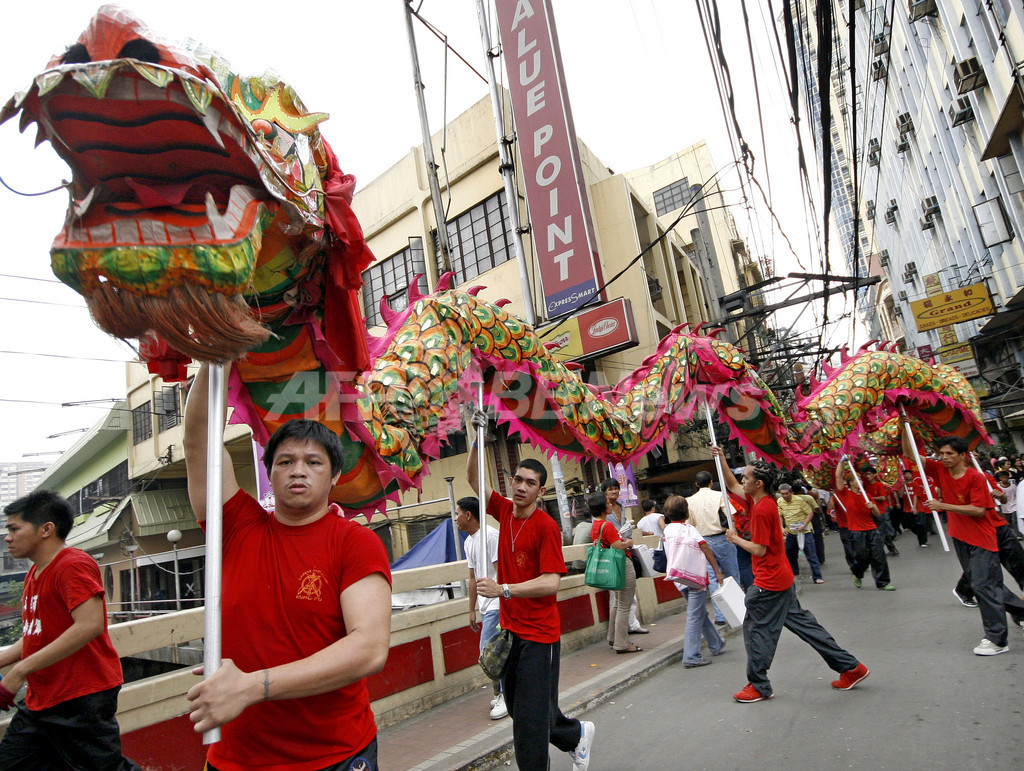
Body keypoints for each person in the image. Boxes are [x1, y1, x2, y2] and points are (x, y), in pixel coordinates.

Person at [183, 363, 392, 771]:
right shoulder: (236, 527)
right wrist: (214, 361)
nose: (298, 469)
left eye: (314, 462)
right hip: (234, 760)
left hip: (332, 757)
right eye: (285, 461)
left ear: (334, 477)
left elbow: (368, 649)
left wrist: (251, 687)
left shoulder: (355, 543)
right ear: (270, 473)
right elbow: (197, 443)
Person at [467, 410, 595, 771]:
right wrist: (477, 434)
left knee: (528, 723)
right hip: (511, 634)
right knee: (526, 710)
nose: (522, 487)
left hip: (540, 636)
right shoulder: (504, 511)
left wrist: (503, 589)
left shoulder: (546, 527)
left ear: (541, 490)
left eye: (530, 483)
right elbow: (473, 478)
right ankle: (574, 735)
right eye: (518, 480)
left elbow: (551, 582)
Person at [714, 450, 869, 702]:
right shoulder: (762, 500)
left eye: (747, 477)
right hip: (780, 579)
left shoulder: (763, 509)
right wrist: (720, 456)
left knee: (756, 632)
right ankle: (851, 668)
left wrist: (735, 539)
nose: (742, 480)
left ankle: (758, 685)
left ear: (759, 483)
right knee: (806, 626)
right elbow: (730, 483)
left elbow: (759, 549)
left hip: (768, 583)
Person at [0, 490, 140, 770]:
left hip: (81, 698)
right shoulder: (35, 573)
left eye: (15, 528)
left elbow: (90, 625)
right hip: (42, 699)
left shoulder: (72, 565)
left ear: (46, 529)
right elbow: (36, 635)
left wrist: (19, 671)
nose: (7, 537)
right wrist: (4, 661)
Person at [902, 428, 1024, 655]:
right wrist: (903, 424)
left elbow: (978, 510)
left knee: (984, 585)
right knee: (983, 584)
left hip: (982, 537)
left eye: (949, 454)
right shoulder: (940, 469)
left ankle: (997, 640)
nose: (944, 458)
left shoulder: (976, 477)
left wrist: (943, 506)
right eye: (942, 454)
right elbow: (910, 454)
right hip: (960, 537)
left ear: (962, 455)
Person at [456, 496, 506, 720]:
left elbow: (502, 572)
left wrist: (504, 598)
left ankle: (505, 695)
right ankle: (501, 692)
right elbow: (472, 577)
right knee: (492, 653)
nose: (454, 518)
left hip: (497, 604)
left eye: (457, 513)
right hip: (485, 606)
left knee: (491, 652)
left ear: (468, 515)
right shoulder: (468, 541)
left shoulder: (491, 536)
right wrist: (471, 609)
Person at [662, 495, 725, 668]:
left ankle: (716, 643)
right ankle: (691, 655)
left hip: (678, 578)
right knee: (694, 616)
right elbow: (705, 547)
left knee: (699, 613)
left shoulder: (667, 530)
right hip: (696, 578)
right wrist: (717, 571)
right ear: (686, 511)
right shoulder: (689, 529)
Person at [587, 493, 641, 654]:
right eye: (608, 504)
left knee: (617, 603)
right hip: (621, 565)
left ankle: (613, 637)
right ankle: (622, 643)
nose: (611, 505)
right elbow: (618, 545)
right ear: (602, 508)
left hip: (610, 567)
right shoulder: (607, 526)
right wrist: (629, 542)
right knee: (625, 605)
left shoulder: (595, 525)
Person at [686, 471, 741, 627]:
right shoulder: (719, 495)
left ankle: (720, 615)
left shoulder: (690, 501)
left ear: (696, 484)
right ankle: (737, 610)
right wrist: (734, 534)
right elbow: (731, 516)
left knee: (712, 579)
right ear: (711, 482)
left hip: (703, 542)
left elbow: (690, 524)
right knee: (732, 576)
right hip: (722, 538)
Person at [834, 462, 895, 590]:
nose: (861, 481)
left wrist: (873, 508)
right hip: (856, 531)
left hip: (872, 529)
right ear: (851, 483)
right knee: (861, 557)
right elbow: (838, 477)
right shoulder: (845, 494)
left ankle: (883, 582)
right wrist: (842, 462)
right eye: (857, 480)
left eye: (861, 479)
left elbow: (878, 515)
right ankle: (858, 574)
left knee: (879, 556)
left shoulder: (867, 496)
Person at [777, 484, 823, 584]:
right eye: (782, 494)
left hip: (804, 531)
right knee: (790, 554)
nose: (784, 496)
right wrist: (781, 527)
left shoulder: (799, 500)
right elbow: (779, 515)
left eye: (786, 494)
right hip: (790, 531)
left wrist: (804, 525)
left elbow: (810, 513)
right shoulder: (780, 501)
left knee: (811, 554)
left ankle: (817, 576)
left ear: (791, 492)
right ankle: (794, 573)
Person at [864, 467, 898, 557]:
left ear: (874, 475)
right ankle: (892, 549)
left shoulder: (879, 485)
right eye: (866, 474)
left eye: (869, 474)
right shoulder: (865, 485)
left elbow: (883, 497)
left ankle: (880, 551)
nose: (868, 476)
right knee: (883, 531)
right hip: (871, 511)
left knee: (880, 532)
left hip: (880, 511)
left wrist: (870, 498)